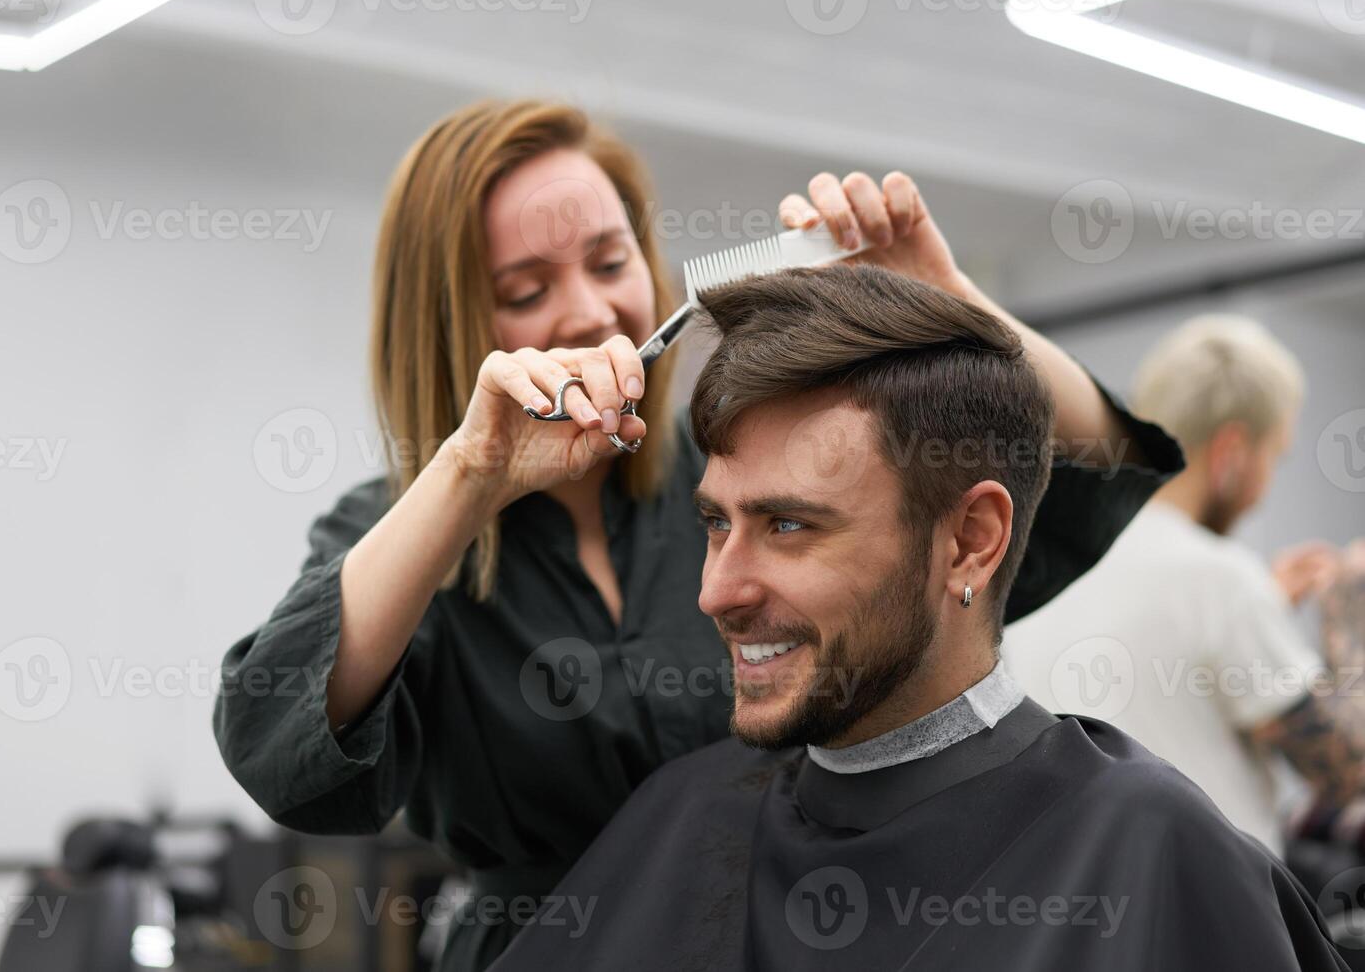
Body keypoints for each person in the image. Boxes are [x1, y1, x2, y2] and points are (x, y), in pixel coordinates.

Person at [212, 98, 1180, 971]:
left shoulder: (733, 474)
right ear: (449, 321)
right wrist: (469, 475)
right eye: (524, 289)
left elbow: (1084, 469)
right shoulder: (408, 527)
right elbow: (278, 744)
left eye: (609, 261)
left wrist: (953, 299)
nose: (591, 310)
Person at [490, 266, 1346, 972]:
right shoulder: (679, 819)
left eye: (788, 525)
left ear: (971, 541)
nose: (718, 590)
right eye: (717, 523)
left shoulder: (1147, 855)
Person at [1005, 316, 1365, 857]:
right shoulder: (1218, 578)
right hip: (1202, 923)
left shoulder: (1049, 561)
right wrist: (1348, 616)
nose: (1264, 487)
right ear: (1231, 452)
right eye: (1274, 457)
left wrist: (1261, 610)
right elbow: (1350, 772)